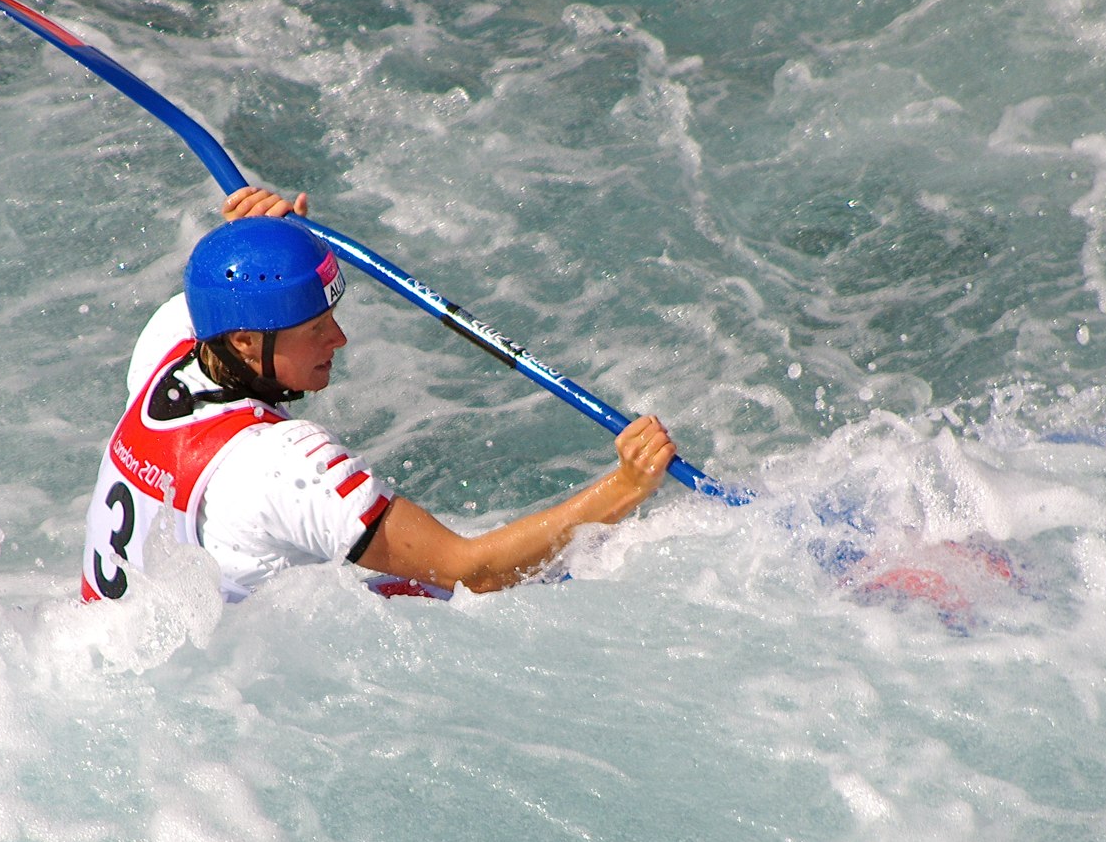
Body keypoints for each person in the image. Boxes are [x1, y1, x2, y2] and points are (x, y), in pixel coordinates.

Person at [81, 186, 675, 603]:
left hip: (111, 648)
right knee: (448, 593)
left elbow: (219, 281)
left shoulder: (170, 343)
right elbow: (475, 571)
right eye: (315, 329)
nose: (338, 339)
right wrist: (626, 486)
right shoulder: (286, 466)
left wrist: (266, 238)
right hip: (213, 700)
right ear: (243, 342)